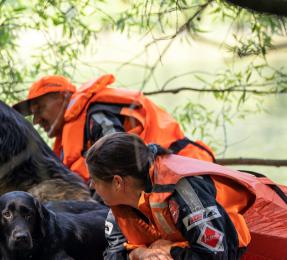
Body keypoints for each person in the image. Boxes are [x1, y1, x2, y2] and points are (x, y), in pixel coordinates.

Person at [83, 132, 287, 260]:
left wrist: (170, 251)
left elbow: (216, 256)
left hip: (284, 253)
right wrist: (139, 255)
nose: (91, 185)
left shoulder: (183, 190)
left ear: (117, 182)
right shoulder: (120, 208)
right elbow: (112, 255)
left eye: (95, 179)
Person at [13, 74, 215, 186]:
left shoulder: (96, 116)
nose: (37, 120)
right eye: (33, 115)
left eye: (40, 108)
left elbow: (118, 166)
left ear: (64, 97)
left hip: (186, 175)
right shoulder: (74, 130)